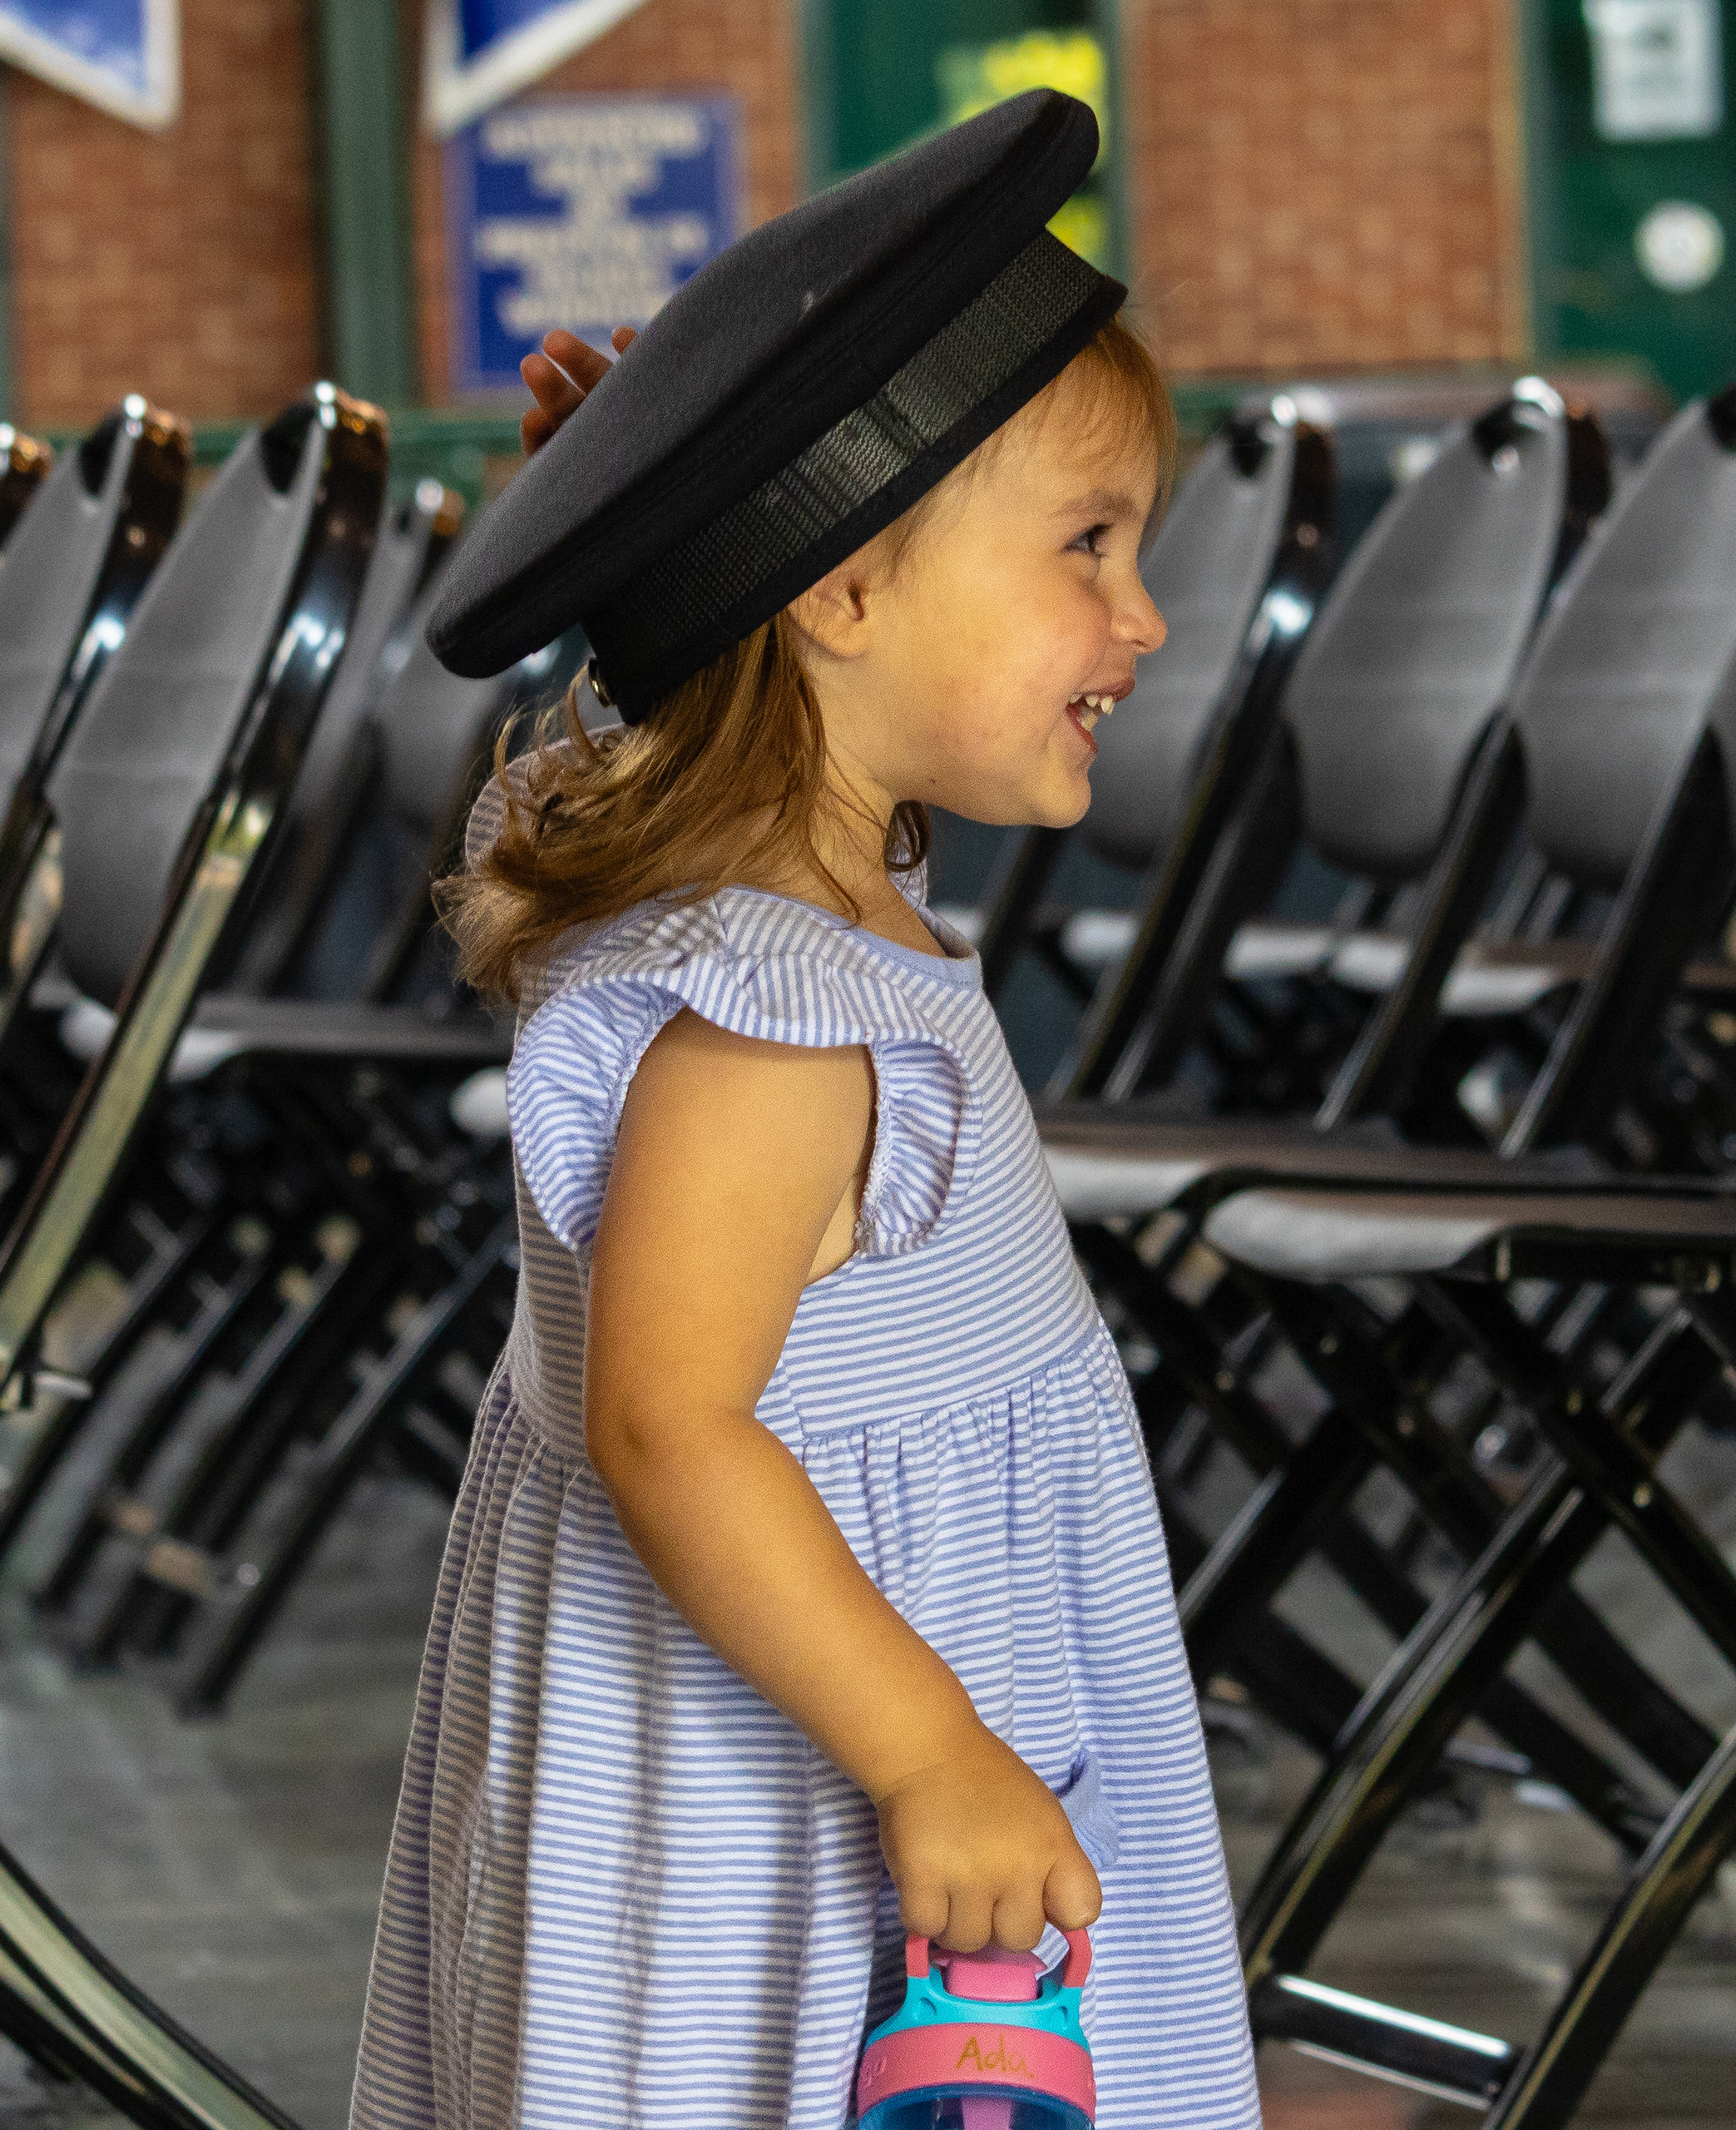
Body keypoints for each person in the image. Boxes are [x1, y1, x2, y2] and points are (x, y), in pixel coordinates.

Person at [348, 90, 1259, 2129]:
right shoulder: (767, 1014)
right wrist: (933, 1750)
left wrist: (658, 519)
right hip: (786, 1811)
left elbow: (692, 682)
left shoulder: (812, 922)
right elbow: (667, 1418)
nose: (1144, 617)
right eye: (1090, 545)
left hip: (803, 1739)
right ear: (841, 589)